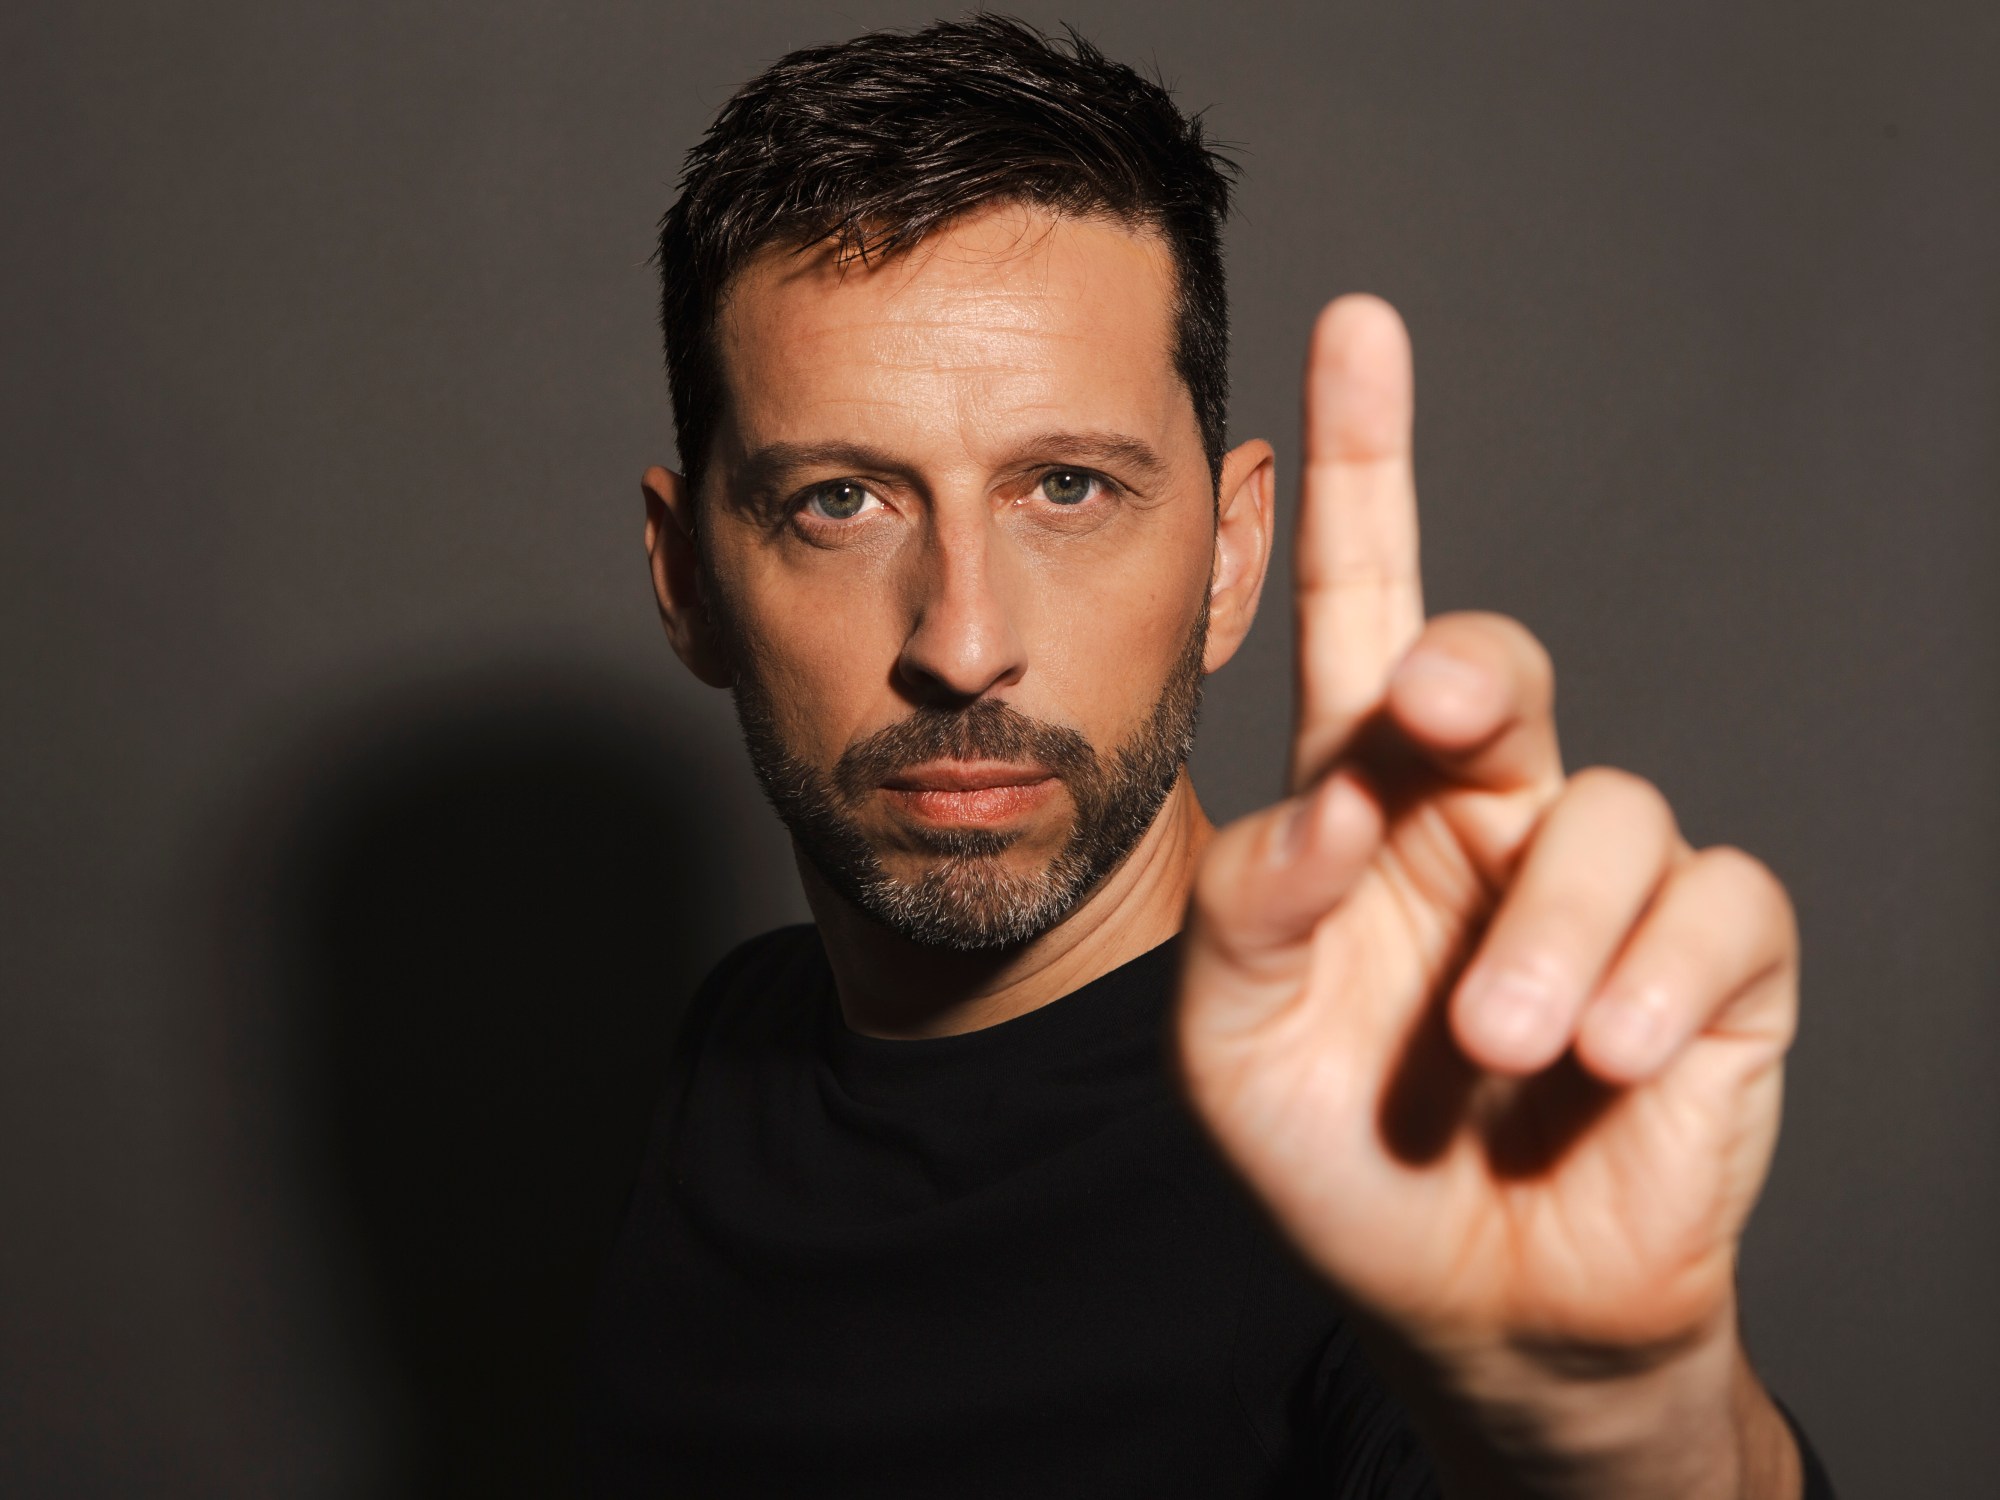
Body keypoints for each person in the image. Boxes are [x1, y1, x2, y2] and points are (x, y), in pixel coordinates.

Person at [582, 16, 1835, 1498]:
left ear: (1231, 557)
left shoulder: (1382, 1130)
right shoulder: (735, 1045)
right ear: (687, 578)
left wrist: (1632, 1433)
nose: (964, 644)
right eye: (841, 502)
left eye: (1067, 487)